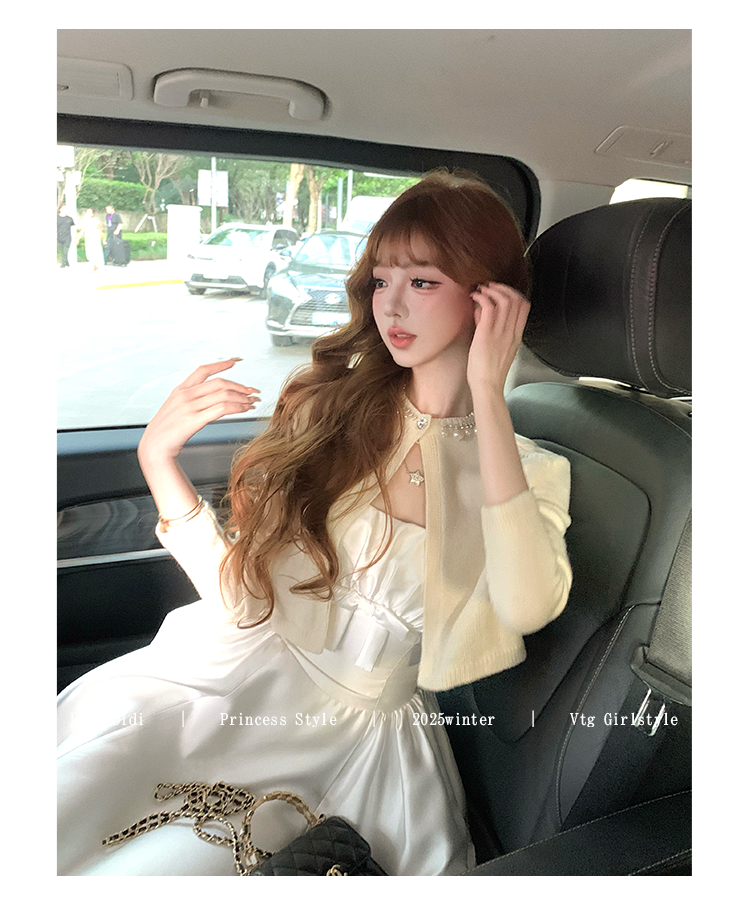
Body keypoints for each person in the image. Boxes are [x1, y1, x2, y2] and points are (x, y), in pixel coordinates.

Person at [57, 170, 573, 876]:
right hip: (232, 679)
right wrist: (157, 460)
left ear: (491, 301)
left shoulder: (529, 468)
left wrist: (487, 393)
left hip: (355, 749)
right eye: (381, 279)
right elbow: (246, 601)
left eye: (422, 281)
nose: (391, 303)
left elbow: (526, 604)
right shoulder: (330, 411)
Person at [79, 208, 105, 273]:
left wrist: (103, 240)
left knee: (95, 253)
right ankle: (94, 265)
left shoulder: (97, 222)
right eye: (87, 212)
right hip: (88, 239)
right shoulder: (85, 221)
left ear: (93, 214)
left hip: (95, 239)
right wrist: (77, 238)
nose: (88, 214)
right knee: (88, 253)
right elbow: (82, 230)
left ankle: (93, 266)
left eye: (90, 212)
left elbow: (100, 232)